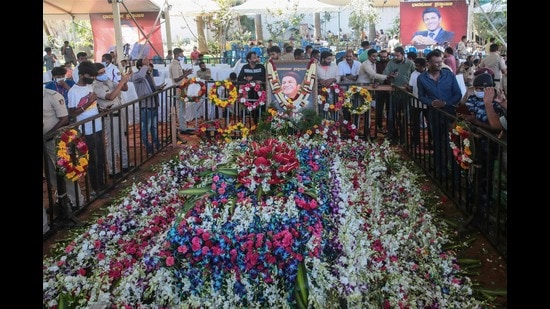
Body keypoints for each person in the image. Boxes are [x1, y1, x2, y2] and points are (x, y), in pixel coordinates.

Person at [417, 49, 462, 178]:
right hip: (434, 113)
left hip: (450, 113)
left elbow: (457, 94)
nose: (439, 64)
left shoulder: (449, 75)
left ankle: (454, 171)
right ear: (428, 63)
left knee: (452, 142)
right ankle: (439, 170)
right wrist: (432, 103)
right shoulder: (422, 78)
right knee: (437, 142)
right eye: (435, 62)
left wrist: (446, 103)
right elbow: (421, 96)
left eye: (440, 61)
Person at [66, 60, 107, 197]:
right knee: (92, 160)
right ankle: (96, 188)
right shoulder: (73, 91)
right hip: (86, 130)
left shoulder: (89, 87)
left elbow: (92, 105)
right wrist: (89, 102)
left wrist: (99, 108)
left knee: (101, 157)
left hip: (98, 125)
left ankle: (102, 184)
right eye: (91, 76)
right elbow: (72, 113)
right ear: (83, 75)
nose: (93, 78)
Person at [43, 88, 85, 215]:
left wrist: (48, 135)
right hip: (44, 142)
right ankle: (62, 200)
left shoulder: (52, 96)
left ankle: (77, 201)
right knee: (51, 174)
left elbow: (64, 119)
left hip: (54, 141)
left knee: (65, 171)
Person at [93, 62, 132, 178]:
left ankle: (125, 164)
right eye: (100, 73)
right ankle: (113, 170)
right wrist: (121, 82)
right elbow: (110, 96)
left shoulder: (108, 80)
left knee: (122, 140)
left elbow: (123, 89)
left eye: (104, 71)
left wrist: (124, 80)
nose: (103, 74)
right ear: (94, 75)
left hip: (120, 113)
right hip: (110, 116)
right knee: (112, 143)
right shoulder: (96, 86)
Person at [131, 57, 166, 154]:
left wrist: (159, 87)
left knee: (154, 126)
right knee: (146, 127)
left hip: (154, 103)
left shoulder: (148, 75)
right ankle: (148, 145)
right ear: (140, 67)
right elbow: (141, 76)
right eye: (145, 65)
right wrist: (145, 65)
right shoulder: (136, 76)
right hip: (146, 105)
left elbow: (152, 88)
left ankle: (157, 143)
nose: (148, 67)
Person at [383, 46, 415, 144]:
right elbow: (385, 73)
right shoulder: (391, 63)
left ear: (402, 54)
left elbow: (414, 75)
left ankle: (403, 137)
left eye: (397, 55)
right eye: (394, 55)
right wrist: (389, 76)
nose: (395, 57)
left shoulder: (410, 64)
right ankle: (392, 135)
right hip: (394, 92)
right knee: (392, 115)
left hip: (406, 93)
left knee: (405, 116)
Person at [168, 47, 194, 135]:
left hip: (182, 87)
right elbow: (176, 79)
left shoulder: (178, 63)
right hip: (178, 88)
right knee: (181, 108)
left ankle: (184, 127)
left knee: (183, 108)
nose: (182, 56)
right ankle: (182, 128)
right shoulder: (174, 65)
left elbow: (180, 75)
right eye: (181, 54)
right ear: (176, 55)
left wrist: (185, 73)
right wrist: (186, 74)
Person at [405, 57, 429, 147]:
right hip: (416, 101)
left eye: (418, 66)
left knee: (430, 123)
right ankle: (415, 141)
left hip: (427, 102)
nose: (416, 67)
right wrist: (408, 87)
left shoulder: (429, 73)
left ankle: (431, 141)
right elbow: (411, 87)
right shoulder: (414, 74)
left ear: (424, 66)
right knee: (415, 123)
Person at [237, 51, 266, 124]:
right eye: (254, 57)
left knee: (261, 108)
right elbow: (239, 78)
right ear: (249, 60)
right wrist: (246, 79)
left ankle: (262, 122)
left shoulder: (261, 67)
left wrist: (253, 77)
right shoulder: (245, 67)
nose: (256, 58)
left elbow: (264, 77)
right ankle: (254, 123)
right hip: (250, 92)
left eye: (256, 57)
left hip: (261, 92)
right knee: (253, 107)